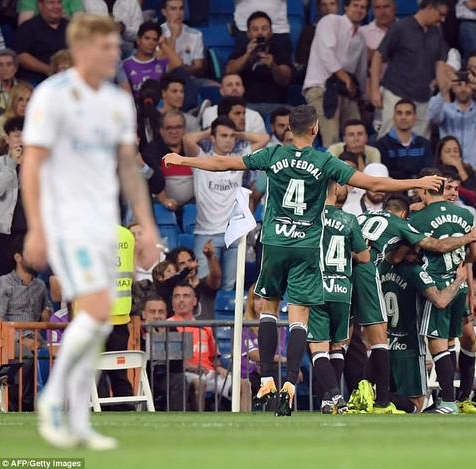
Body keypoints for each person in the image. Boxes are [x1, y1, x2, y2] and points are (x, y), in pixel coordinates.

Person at [163, 104, 446, 416]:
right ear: (315, 129)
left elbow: (223, 162)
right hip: (306, 246)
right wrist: (415, 183)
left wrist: (184, 159)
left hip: (275, 241)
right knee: (299, 315)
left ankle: (267, 380)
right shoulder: (325, 161)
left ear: (288, 129)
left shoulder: (273, 154)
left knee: (269, 308)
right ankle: (289, 382)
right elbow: (374, 184)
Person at [23, 15, 159, 449]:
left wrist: (147, 223)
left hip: (104, 221)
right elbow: (32, 163)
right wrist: (37, 227)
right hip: (65, 219)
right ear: (82, 49)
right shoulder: (52, 95)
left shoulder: (118, 102)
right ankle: (53, 398)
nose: (115, 53)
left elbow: (129, 168)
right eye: (106, 47)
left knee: (97, 323)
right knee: (98, 309)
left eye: (116, 46)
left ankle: (79, 421)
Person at [409, 168, 476, 414]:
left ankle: (449, 401)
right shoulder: (466, 214)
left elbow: (412, 251)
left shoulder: (418, 218)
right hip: (459, 284)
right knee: (450, 341)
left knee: (438, 343)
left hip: (437, 284)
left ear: (424, 189)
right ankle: (451, 398)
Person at [380, 244, 468, 413]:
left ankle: (378, 397)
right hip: (410, 346)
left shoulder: (381, 267)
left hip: (384, 345)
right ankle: (378, 398)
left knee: (389, 398)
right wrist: (458, 280)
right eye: (414, 249)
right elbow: (441, 301)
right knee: (416, 406)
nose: (418, 254)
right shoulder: (416, 271)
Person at [308, 179, 370, 414]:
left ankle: (334, 396)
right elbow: (364, 257)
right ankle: (329, 400)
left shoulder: (308, 220)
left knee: (319, 348)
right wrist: (348, 253)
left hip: (317, 287)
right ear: (335, 189)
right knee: (337, 346)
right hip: (343, 290)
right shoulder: (349, 219)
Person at [183, 116, 268, 283]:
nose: (229, 140)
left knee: (230, 288)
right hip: (206, 233)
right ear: (212, 137)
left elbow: (264, 139)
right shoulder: (201, 159)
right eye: (223, 136)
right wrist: (209, 132)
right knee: (203, 284)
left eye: (231, 136)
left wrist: (238, 133)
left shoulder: (238, 159)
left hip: (234, 234)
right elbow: (187, 139)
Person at [371, 0, 451, 139]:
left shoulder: (437, 32)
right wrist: (374, 90)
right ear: (430, 7)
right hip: (396, 93)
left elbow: (439, 64)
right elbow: (378, 57)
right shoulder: (400, 27)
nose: (443, 19)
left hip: (423, 97)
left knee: (421, 141)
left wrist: (446, 97)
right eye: (441, 14)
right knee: (388, 138)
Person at [302, 0, 369, 147]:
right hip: (321, 89)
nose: (359, 10)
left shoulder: (361, 37)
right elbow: (327, 54)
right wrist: (346, 79)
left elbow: (361, 70)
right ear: (346, 7)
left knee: (357, 136)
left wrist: (362, 96)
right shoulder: (330, 21)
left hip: (346, 91)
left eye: (363, 7)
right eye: (355, 5)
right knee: (331, 140)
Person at [0, 236, 52, 411]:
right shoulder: (4, 283)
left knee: (52, 354)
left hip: (36, 337)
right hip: (8, 338)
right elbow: (0, 320)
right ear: (18, 257)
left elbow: (47, 310)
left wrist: (47, 312)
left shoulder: (40, 286)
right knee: (27, 358)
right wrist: (22, 339)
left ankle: (48, 404)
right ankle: (20, 405)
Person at [167, 283, 231, 411]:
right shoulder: (168, 326)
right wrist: (192, 368)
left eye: (186, 296)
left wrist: (219, 368)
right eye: (177, 296)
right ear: (172, 302)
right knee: (199, 383)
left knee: (243, 385)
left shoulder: (205, 327)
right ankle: (198, 419)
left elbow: (213, 357)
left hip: (210, 373)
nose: (181, 300)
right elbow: (171, 361)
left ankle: (245, 420)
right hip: (185, 374)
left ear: (195, 301)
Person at [96, 225, 135, 411]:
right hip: (120, 315)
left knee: (94, 371)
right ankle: (126, 409)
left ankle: (96, 410)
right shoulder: (126, 235)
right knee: (119, 371)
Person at [428, 69, 476, 170]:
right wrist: (445, 89)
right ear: (453, 88)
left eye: (467, 84)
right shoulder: (445, 109)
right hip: (450, 168)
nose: (463, 88)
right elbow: (432, 115)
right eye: (459, 84)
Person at [227, 11, 293, 111]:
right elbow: (229, 71)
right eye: (255, 29)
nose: (260, 33)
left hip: (276, 106)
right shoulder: (242, 51)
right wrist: (247, 56)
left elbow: (285, 80)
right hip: (247, 107)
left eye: (264, 28)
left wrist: (273, 66)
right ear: (248, 34)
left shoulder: (279, 51)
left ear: (271, 32)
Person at [141, 110, 192, 209]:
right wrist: (165, 200)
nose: (174, 132)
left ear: (184, 129)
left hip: (192, 206)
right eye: (169, 128)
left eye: (178, 127)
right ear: (161, 131)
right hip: (160, 207)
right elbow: (153, 178)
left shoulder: (191, 148)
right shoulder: (151, 151)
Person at [118, 22, 182, 99]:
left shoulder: (160, 63)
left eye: (155, 40)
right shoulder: (125, 65)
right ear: (138, 40)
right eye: (147, 38)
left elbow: (178, 64)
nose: (151, 43)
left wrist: (162, 44)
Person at [374, 98, 433, 179]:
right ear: (394, 117)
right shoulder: (382, 144)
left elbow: (428, 172)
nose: (403, 117)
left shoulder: (424, 144)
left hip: (420, 186)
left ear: (414, 117)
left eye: (408, 113)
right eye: (399, 113)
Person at [15, 0, 69, 83]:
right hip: (37, 80)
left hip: (69, 77)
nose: (56, 6)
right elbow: (21, 56)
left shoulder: (71, 26)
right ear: (40, 5)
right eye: (51, 3)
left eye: (59, 2)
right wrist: (48, 69)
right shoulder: (28, 27)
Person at [0, 117, 26, 277]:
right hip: (3, 233)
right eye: (16, 135)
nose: (21, 140)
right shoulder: (1, 163)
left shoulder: (35, 165)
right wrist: (11, 165)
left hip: (26, 233)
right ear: (7, 138)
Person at [167, 245, 221, 320]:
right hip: (179, 327)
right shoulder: (171, 289)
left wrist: (210, 257)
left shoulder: (205, 285)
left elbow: (216, 276)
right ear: (175, 268)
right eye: (182, 263)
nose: (189, 265)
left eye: (190, 261)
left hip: (205, 327)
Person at [200, 73, 267, 134]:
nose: (234, 88)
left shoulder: (255, 116)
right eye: (229, 85)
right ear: (221, 91)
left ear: (243, 89)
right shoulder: (210, 112)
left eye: (238, 84)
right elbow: (213, 135)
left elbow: (262, 140)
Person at [437, 135, 476, 207]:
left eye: (456, 151)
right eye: (447, 151)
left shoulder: (468, 171)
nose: (452, 154)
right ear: (440, 156)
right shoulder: (435, 174)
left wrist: (460, 169)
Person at [160, 0, 205, 78]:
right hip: (163, 79)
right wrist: (173, 37)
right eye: (173, 9)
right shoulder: (157, 33)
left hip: (188, 78)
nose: (178, 13)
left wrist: (179, 70)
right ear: (164, 12)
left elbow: (198, 66)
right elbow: (162, 66)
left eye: (181, 8)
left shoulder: (196, 34)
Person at [295, 0, 339, 71]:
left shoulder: (346, 30)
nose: (328, 8)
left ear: (337, 7)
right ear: (318, 8)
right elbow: (302, 61)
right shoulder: (308, 32)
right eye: (324, 5)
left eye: (332, 4)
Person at [17, 0, 82, 25]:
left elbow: (80, 23)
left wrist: (66, 18)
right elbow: (23, 26)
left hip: (66, 33)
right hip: (39, 37)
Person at [0, 49, 20, 114]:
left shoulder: (25, 89)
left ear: (15, 68)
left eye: (9, 64)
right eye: (0, 65)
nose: (5, 69)